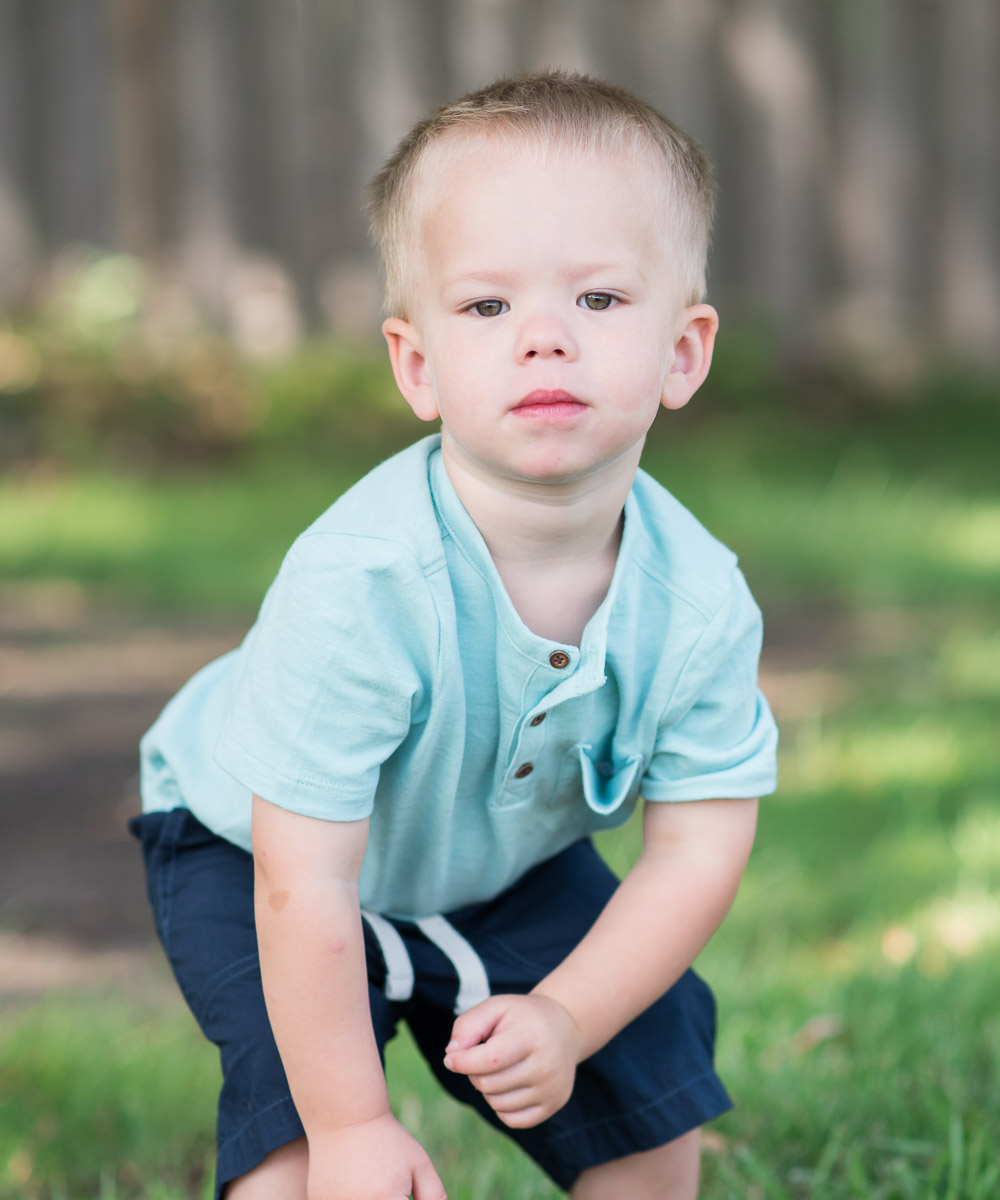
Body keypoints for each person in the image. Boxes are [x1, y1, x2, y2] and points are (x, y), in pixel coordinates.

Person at [130, 70, 777, 1200]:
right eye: (487, 307)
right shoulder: (365, 583)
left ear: (685, 350)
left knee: (646, 1084)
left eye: (599, 300)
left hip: (495, 859)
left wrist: (569, 1016)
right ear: (417, 364)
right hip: (258, 850)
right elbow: (303, 884)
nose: (542, 340)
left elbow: (697, 847)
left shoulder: (700, 604)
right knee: (301, 1152)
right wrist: (352, 1125)